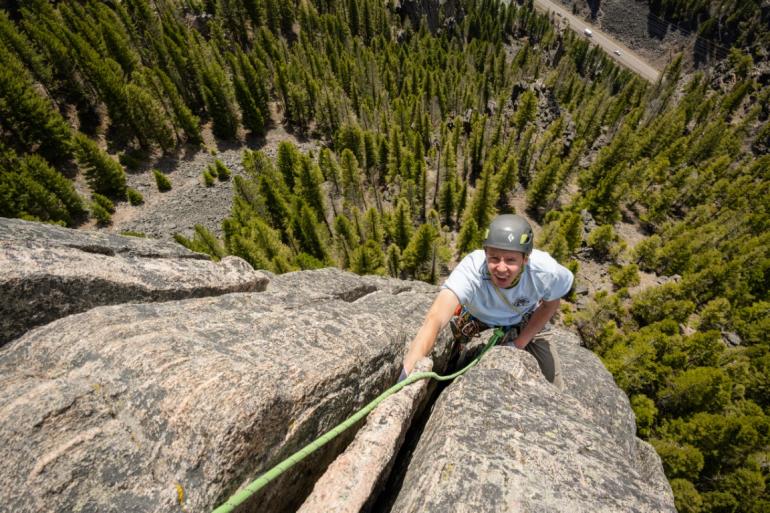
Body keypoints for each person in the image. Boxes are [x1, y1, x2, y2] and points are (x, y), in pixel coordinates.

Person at [400, 214, 574, 388]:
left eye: (511, 260)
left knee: (554, 387)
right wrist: (406, 373)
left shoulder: (546, 272)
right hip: (477, 319)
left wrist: (519, 343)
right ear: (485, 254)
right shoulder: (472, 270)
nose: (501, 267)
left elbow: (550, 304)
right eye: (494, 258)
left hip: (525, 318)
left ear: (525, 259)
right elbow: (435, 319)